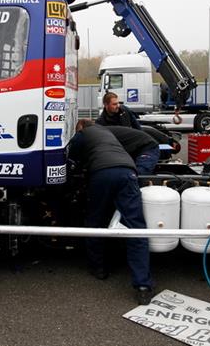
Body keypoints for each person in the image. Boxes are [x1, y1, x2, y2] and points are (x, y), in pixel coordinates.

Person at [68, 119, 153, 304]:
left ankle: (99, 269)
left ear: (81, 128)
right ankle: (143, 285)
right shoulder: (108, 133)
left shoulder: (83, 134)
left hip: (102, 173)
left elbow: (72, 160)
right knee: (136, 228)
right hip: (128, 172)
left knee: (95, 221)